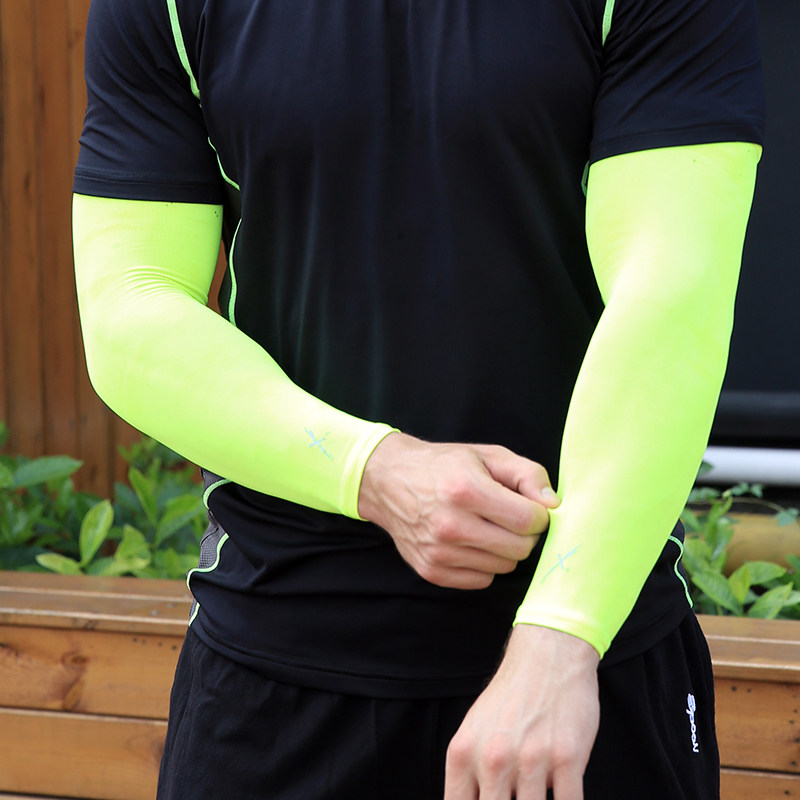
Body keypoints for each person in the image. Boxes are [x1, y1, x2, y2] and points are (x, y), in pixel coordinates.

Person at [72, 0, 765, 797]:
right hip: (273, 667)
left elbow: (672, 294)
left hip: (582, 673)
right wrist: (374, 469)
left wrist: (561, 634)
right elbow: (130, 305)